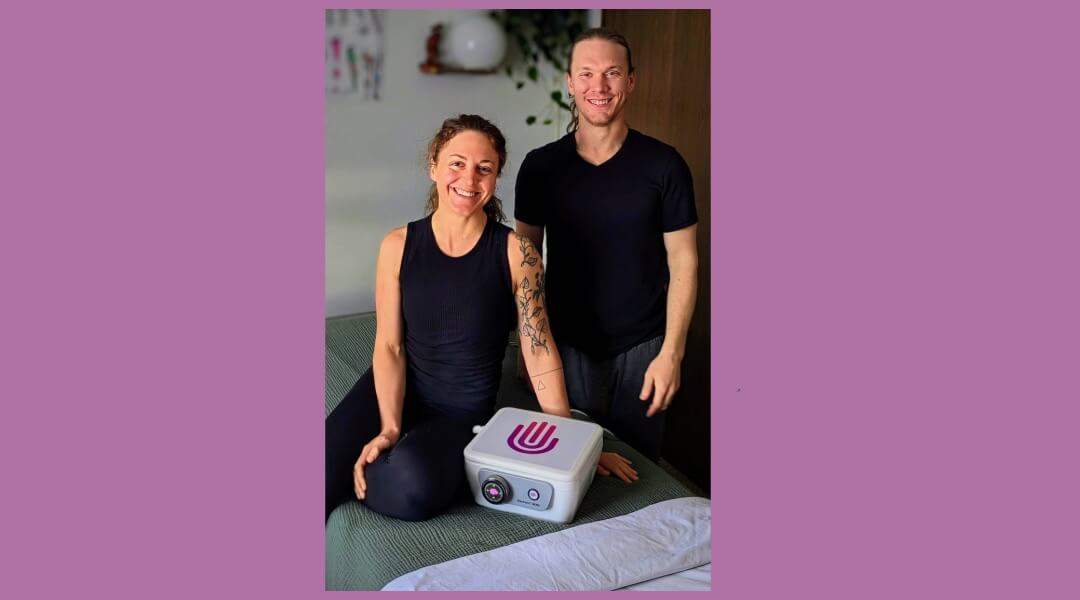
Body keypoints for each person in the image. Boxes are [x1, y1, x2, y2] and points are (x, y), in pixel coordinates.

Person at [326, 114, 638, 523]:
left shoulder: (517, 254)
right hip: (392, 389)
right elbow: (389, 346)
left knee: (412, 489)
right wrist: (389, 427)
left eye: (484, 168)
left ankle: (366, 472)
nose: (468, 179)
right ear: (433, 165)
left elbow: (539, 349)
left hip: (457, 412)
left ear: (495, 178)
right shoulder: (397, 245)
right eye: (456, 163)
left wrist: (571, 443)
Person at [514, 28, 699, 462]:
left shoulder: (664, 165)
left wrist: (672, 353)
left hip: (644, 348)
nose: (599, 87)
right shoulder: (540, 167)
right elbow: (525, 264)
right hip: (566, 343)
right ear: (570, 82)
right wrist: (529, 343)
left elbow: (685, 263)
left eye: (612, 73)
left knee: (638, 471)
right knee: (571, 463)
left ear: (631, 82)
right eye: (587, 73)